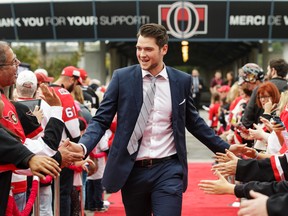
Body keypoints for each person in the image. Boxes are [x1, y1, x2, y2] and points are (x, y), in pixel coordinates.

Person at [67, 23, 243, 216]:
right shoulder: (121, 78)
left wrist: (224, 147)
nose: (142, 54)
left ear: (164, 49)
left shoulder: (181, 81)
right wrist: (83, 146)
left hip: (168, 168)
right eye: (139, 48)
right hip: (132, 169)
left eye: (148, 49)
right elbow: (101, 119)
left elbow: (193, 121)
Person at [242, 58, 288, 129]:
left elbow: (246, 120)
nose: (267, 73)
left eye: (268, 70)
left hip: (261, 133)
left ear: (273, 71)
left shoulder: (261, 89)